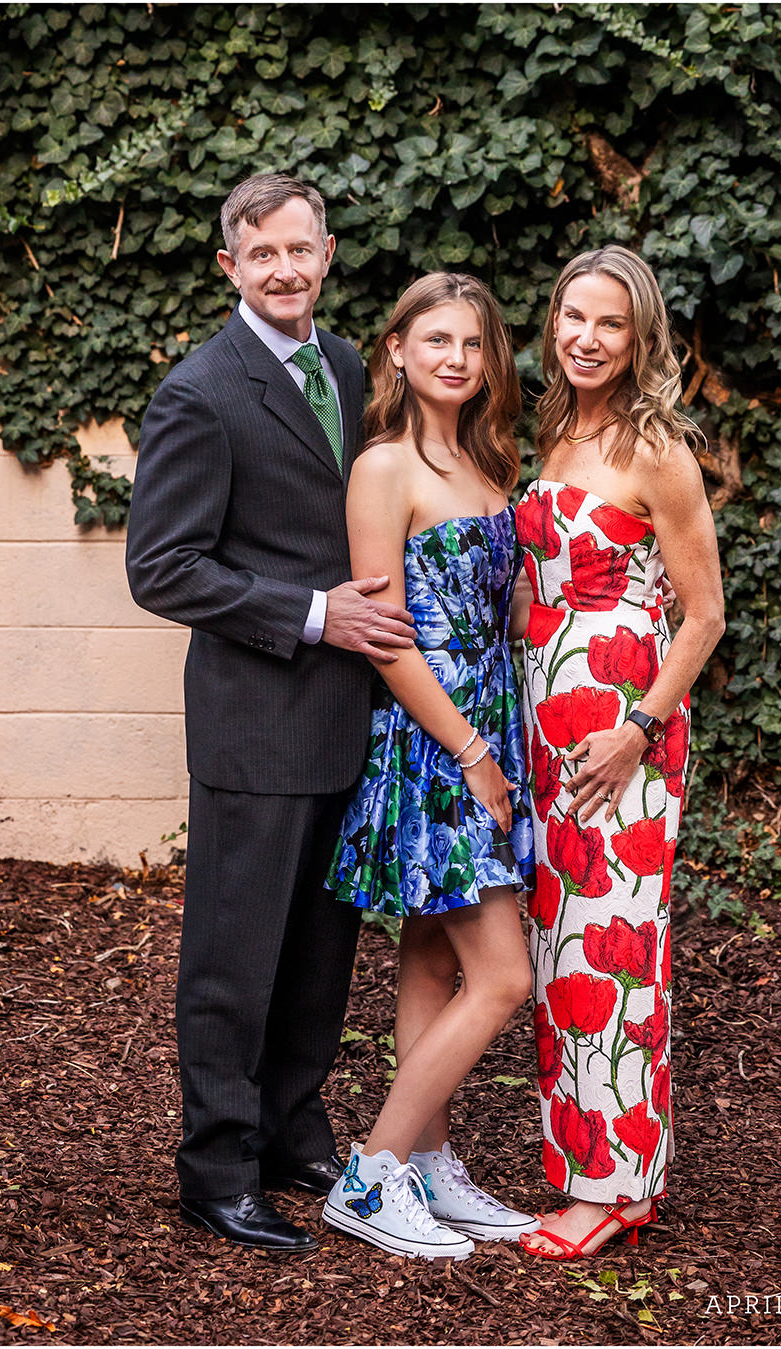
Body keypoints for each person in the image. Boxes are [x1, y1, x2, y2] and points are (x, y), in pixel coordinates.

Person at [125, 173, 418, 1252]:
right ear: (230, 269)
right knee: (234, 956)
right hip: (256, 718)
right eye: (264, 257)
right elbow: (161, 567)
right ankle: (215, 1166)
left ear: (327, 251)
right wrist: (307, 614)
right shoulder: (201, 391)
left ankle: (293, 1128)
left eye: (301, 250)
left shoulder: (345, 365)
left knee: (320, 951)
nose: (286, 270)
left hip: (348, 715)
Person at [513, 245, 725, 1260]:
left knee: (615, 953)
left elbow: (705, 614)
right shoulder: (555, 428)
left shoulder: (657, 449)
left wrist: (638, 727)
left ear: (640, 337)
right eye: (572, 318)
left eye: (609, 324)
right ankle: (596, 1168)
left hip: (621, 740)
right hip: (547, 730)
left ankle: (608, 1187)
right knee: (561, 954)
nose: (586, 338)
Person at [321, 273, 539, 1259]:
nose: (456, 356)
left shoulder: (489, 463)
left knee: (432, 955)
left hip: (496, 731)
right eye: (434, 338)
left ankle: (430, 1161)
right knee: (503, 976)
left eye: (474, 342)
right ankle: (371, 1177)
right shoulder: (383, 468)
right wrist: (471, 749)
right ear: (396, 351)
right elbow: (386, 636)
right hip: (440, 742)